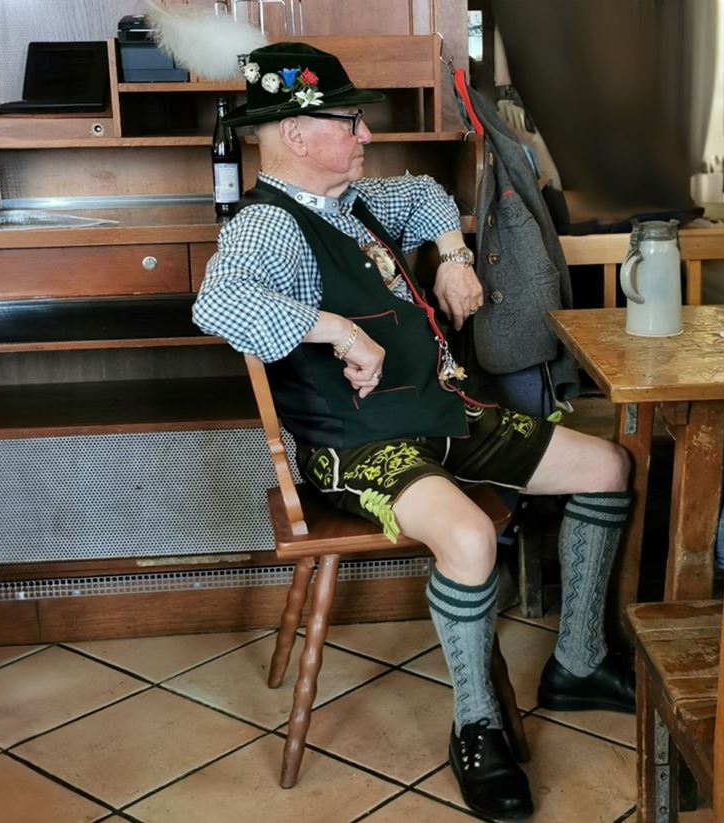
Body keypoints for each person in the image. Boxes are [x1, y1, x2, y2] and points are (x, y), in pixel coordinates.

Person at [193, 42, 634, 820]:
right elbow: (218, 304)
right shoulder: (270, 228)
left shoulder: (354, 203)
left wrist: (455, 255)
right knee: (468, 539)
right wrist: (335, 327)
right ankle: (477, 726)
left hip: (442, 417)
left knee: (606, 465)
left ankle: (579, 663)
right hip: (360, 444)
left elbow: (431, 193)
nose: (365, 134)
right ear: (297, 134)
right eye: (349, 122)